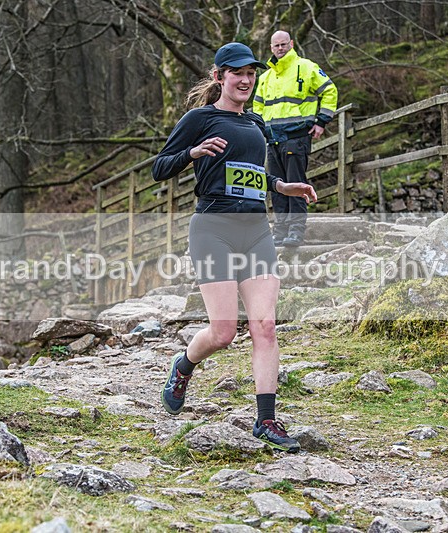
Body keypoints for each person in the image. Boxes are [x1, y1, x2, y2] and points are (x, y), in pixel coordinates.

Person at [152, 42, 317, 453]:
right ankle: (184, 365)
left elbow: (251, 175)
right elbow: (159, 167)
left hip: (256, 231)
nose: (246, 80)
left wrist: (281, 186)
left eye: (251, 73)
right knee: (224, 332)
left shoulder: (258, 124)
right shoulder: (200, 118)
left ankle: (266, 420)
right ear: (219, 77)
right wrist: (191, 152)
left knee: (264, 325)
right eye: (237, 73)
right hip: (213, 228)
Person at [253, 30, 338, 247]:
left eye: (283, 44)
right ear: (270, 48)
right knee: (277, 187)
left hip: (297, 137)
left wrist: (321, 121)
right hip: (272, 140)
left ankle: (296, 232)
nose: (280, 49)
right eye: (276, 46)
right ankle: (280, 232)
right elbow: (258, 106)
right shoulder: (265, 77)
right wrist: (260, 129)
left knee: (296, 185)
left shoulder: (306, 67)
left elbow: (329, 90)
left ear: (291, 43)